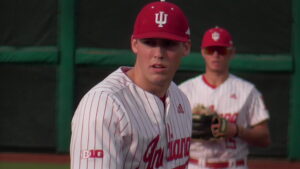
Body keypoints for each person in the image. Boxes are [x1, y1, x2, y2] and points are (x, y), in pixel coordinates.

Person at [70, 1, 193, 169]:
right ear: (135, 44)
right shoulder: (103, 104)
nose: (158, 53)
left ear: (186, 48)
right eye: (150, 42)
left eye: (169, 44)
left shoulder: (181, 99)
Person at [179, 26, 271, 169]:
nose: (216, 55)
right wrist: (187, 129)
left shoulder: (247, 91)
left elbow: (264, 138)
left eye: (221, 50)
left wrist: (235, 130)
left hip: (234, 165)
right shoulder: (184, 90)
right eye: (211, 50)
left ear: (232, 52)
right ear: (203, 52)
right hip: (195, 164)